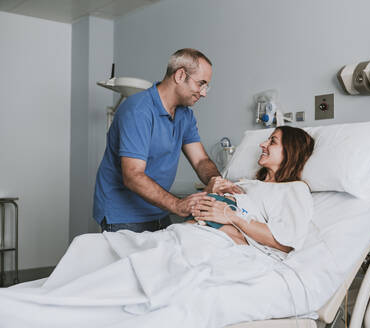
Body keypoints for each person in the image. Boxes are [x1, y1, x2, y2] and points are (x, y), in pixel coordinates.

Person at [93, 48, 239, 233]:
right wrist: (178, 205)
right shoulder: (138, 110)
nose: (204, 93)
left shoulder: (185, 115)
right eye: (201, 84)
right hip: (123, 214)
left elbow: (201, 160)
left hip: (158, 211)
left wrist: (217, 182)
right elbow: (133, 176)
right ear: (180, 75)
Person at [191, 125, 315, 257]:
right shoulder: (246, 183)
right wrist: (211, 188)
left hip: (219, 240)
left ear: (290, 151)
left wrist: (232, 216)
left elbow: (285, 243)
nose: (262, 144)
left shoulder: (294, 189)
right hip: (195, 226)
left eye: (272, 141)